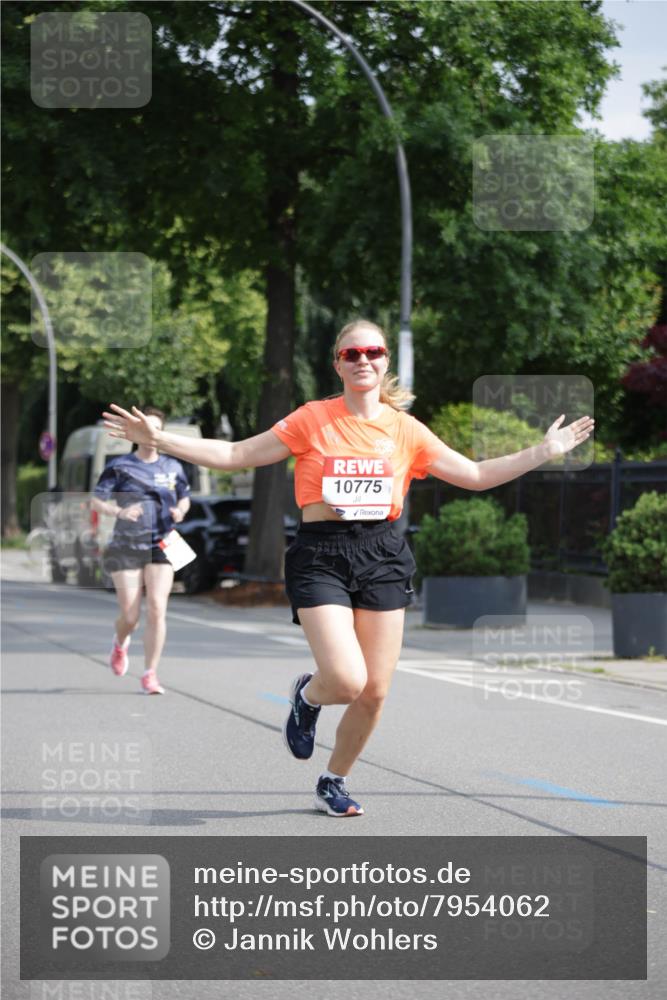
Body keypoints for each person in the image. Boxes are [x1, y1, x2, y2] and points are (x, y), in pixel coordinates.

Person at [103, 320, 594, 812]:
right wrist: (161, 441)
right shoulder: (312, 419)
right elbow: (234, 453)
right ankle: (309, 698)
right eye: (352, 353)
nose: (363, 359)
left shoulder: (405, 429)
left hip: (382, 551)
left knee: (375, 691)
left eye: (373, 351)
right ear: (337, 363)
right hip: (321, 553)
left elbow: (476, 474)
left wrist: (544, 451)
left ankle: (334, 780)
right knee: (345, 679)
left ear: (384, 362)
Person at [91, 406, 191, 695]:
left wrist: (179, 511)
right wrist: (119, 512)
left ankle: (150, 674)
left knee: (158, 609)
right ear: (137, 431)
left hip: (164, 541)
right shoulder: (120, 466)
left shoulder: (173, 467)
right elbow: (97, 501)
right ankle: (120, 643)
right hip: (127, 544)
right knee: (131, 615)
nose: (151, 434)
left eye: (157, 429)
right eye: (147, 428)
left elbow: (185, 498)